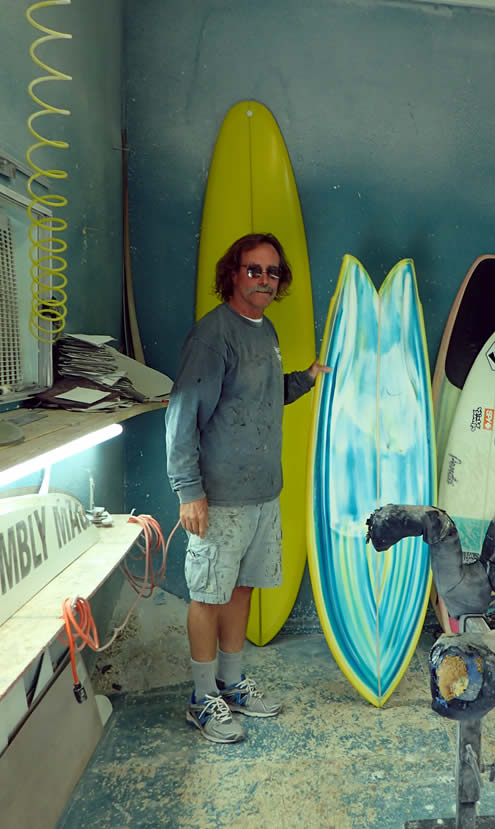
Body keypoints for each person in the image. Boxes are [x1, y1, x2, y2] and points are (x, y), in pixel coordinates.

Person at [165, 232, 329, 743]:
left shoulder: (265, 330)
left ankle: (231, 683)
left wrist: (306, 379)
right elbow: (181, 415)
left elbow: (260, 396)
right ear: (232, 274)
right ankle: (201, 698)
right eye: (254, 270)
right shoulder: (212, 336)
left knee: (241, 589)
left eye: (272, 272)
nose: (264, 280)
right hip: (218, 497)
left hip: (262, 493)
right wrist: (188, 491)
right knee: (207, 595)